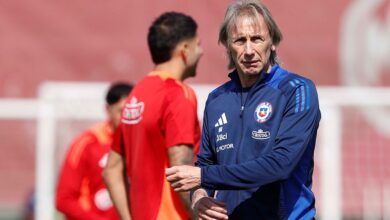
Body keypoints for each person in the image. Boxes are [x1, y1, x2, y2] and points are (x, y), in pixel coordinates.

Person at [165, 0, 321, 219]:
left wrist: (203, 176)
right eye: (240, 40)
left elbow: (280, 165)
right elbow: (206, 163)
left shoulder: (297, 90)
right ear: (228, 46)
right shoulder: (217, 99)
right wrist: (199, 196)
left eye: (257, 39)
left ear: (272, 42)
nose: (249, 50)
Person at [103, 12, 203, 220]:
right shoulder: (178, 94)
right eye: (198, 44)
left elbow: (111, 171)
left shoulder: (137, 93)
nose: (201, 52)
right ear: (185, 50)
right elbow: (181, 171)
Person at [55, 82, 133, 220]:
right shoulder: (87, 144)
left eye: (131, 112)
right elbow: (64, 200)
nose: (126, 118)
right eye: (121, 112)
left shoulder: (143, 144)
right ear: (108, 110)